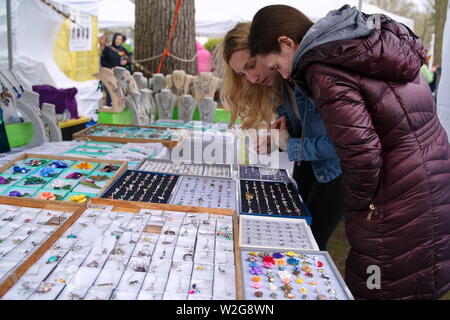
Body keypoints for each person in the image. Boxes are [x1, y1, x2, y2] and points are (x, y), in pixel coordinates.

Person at [248, 4, 450, 300]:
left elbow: (361, 153)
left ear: (286, 43)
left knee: (378, 284)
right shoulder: (361, 46)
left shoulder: (323, 64)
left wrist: (358, 207)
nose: (285, 74)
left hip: (393, 190)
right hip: (429, 177)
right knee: (417, 272)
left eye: (277, 66)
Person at [221, 22, 344, 250]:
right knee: (298, 233)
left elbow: (343, 143)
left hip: (336, 170)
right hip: (310, 163)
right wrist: (277, 141)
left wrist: (289, 144)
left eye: (251, 66)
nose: (252, 79)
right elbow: (304, 132)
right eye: (242, 74)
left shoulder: (314, 75)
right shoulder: (279, 84)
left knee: (312, 241)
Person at [100, 33, 130, 106]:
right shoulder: (108, 48)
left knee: (122, 91)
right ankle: (109, 106)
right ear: (114, 39)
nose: (118, 41)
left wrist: (125, 62)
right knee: (111, 92)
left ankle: (121, 106)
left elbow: (128, 60)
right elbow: (103, 61)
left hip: (120, 75)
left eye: (120, 39)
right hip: (110, 74)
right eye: (117, 39)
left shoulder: (123, 50)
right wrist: (110, 67)